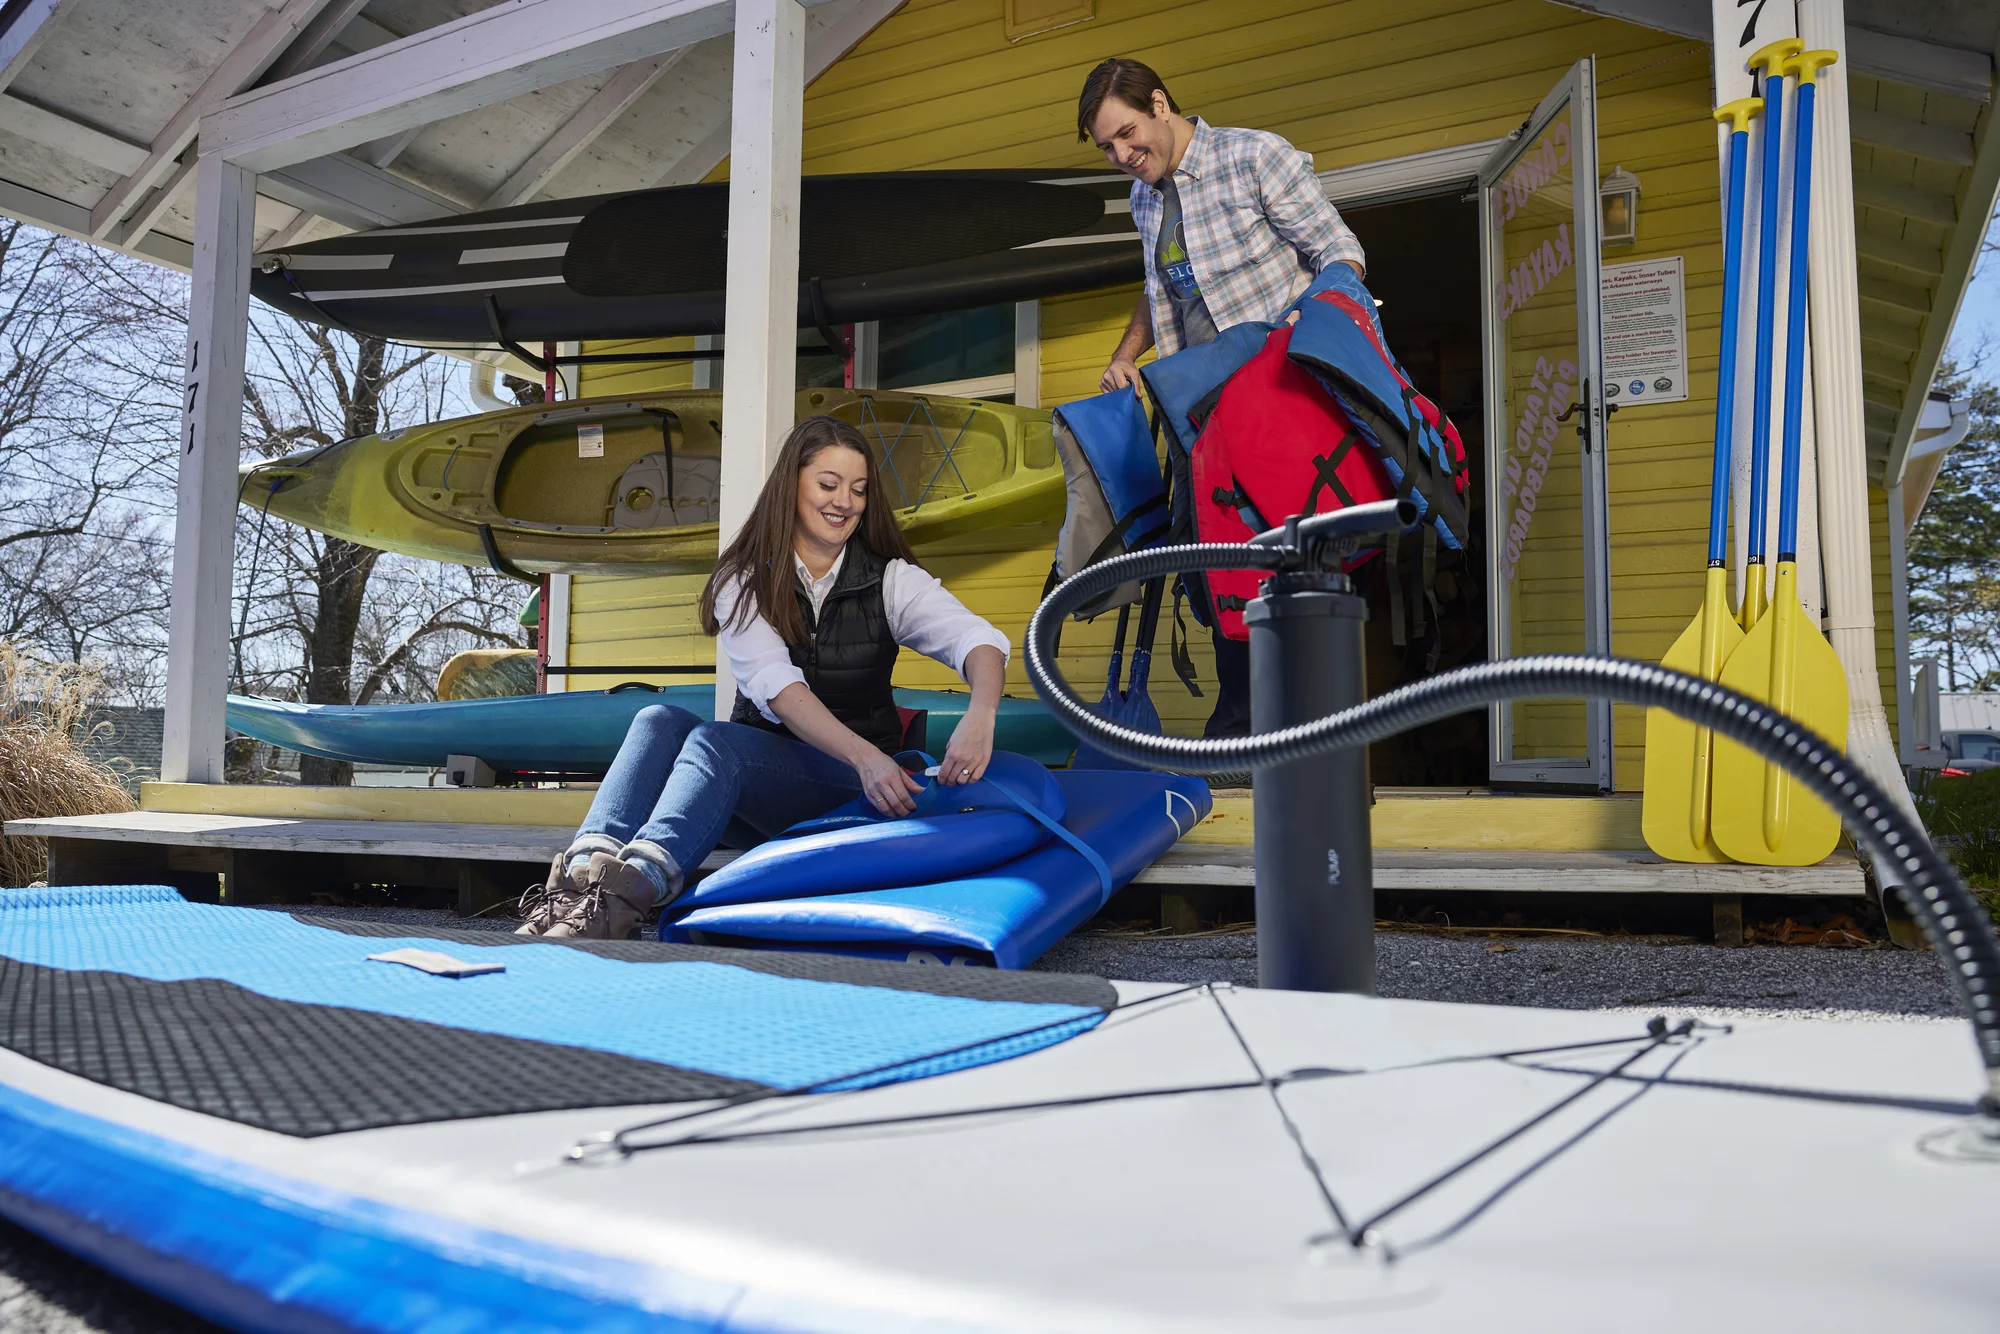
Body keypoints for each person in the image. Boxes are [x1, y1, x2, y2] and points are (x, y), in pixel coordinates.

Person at [517, 416, 1012, 939]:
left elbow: (978, 641)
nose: (844, 501)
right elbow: (780, 689)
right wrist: (866, 758)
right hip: (759, 788)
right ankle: (575, 889)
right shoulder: (744, 581)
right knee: (656, 719)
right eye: (828, 484)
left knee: (717, 743)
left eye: (859, 489)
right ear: (790, 485)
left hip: (855, 790)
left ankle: (623, 900)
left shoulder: (891, 580)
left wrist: (982, 711)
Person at [1079, 57, 1366, 737]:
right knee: (1216, 575)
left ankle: (1311, 737)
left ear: (1160, 102)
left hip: (1279, 410)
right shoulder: (1145, 199)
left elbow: (1341, 254)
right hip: (1201, 422)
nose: (1123, 155)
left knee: (1295, 570)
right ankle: (1240, 730)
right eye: (1107, 147)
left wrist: (1305, 331)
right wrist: (1125, 356)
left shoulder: (1253, 157)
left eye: (1127, 133)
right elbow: (1160, 289)